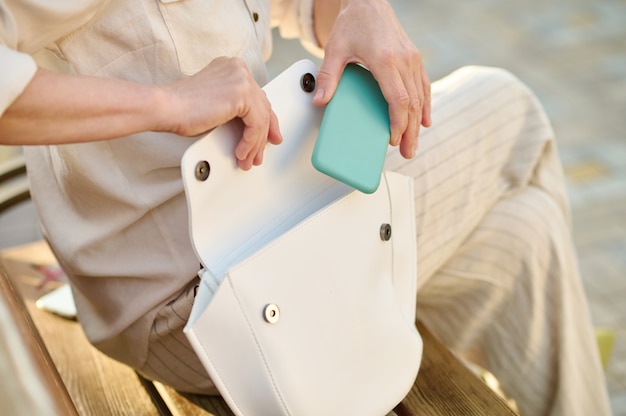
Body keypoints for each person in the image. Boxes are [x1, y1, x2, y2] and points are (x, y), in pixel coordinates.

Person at [0, 1, 611, 415]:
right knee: (510, 112)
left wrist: (358, 10)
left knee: (518, 236)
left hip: (264, 219)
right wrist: (166, 103)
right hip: (197, 298)